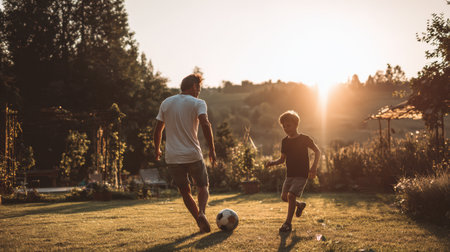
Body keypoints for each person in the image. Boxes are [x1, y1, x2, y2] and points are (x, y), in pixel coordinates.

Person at [153, 73, 217, 233]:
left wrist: (157, 149)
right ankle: (202, 212)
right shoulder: (198, 103)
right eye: (199, 87)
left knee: (185, 191)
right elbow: (205, 124)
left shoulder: (166, 103)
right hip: (192, 154)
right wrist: (212, 149)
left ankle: (198, 220)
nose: (199, 91)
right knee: (203, 186)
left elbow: (158, 130)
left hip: (173, 157)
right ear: (194, 86)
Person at [265, 110, 320, 232]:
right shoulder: (285, 142)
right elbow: (282, 159)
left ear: (296, 124)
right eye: (284, 126)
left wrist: (314, 167)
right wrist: (272, 163)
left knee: (291, 195)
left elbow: (317, 151)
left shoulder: (305, 139)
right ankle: (299, 205)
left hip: (301, 174)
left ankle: (287, 224)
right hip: (289, 175)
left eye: (288, 125)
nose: (285, 128)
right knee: (285, 197)